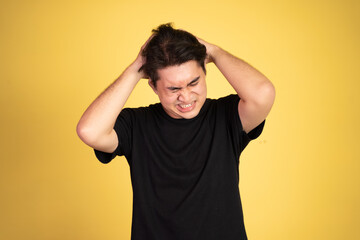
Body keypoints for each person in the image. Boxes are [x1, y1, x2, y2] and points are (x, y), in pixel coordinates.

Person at [77, 23, 275, 240]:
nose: (186, 96)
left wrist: (215, 52)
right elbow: (90, 132)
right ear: (153, 86)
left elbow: (263, 94)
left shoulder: (225, 116)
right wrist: (135, 69)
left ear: (205, 72)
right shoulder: (136, 124)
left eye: (194, 82)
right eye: (174, 89)